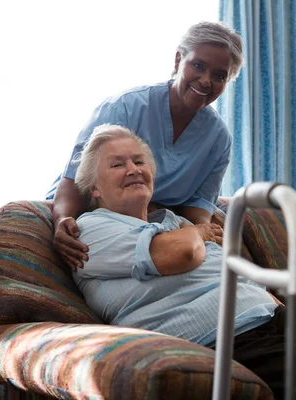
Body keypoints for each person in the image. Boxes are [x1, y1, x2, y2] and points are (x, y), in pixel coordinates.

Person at [71, 124, 296, 400]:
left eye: (138, 161)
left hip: (272, 317)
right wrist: (197, 231)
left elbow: (226, 269)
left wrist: (193, 233)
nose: (133, 169)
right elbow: (180, 254)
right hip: (222, 339)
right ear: (95, 188)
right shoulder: (92, 229)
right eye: (117, 164)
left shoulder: (171, 222)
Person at [47, 21, 242, 271]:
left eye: (219, 76)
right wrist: (63, 219)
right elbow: (74, 180)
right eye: (198, 66)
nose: (206, 81)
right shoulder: (124, 107)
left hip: (158, 227)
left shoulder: (218, 138)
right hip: (99, 218)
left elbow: (199, 207)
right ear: (178, 60)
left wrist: (200, 233)